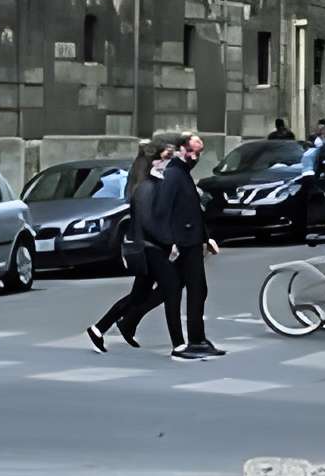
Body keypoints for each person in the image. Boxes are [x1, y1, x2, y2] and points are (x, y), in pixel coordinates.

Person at [84, 143, 177, 353]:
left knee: (139, 295)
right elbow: (148, 223)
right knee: (171, 287)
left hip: (150, 248)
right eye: (163, 158)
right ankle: (124, 324)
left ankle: (103, 328)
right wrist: (169, 242)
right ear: (153, 161)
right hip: (149, 249)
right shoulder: (144, 187)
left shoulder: (145, 183)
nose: (166, 163)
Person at [149, 130, 225, 360]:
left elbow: (191, 210)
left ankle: (197, 339)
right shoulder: (174, 174)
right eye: (192, 152)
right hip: (183, 243)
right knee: (190, 290)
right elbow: (163, 211)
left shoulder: (181, 173)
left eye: (199, 153)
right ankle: (194, 340)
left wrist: (205, 238)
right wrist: (170, 241)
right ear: (182, 149)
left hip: (191, 241)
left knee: (193, 290)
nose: (195, 157)